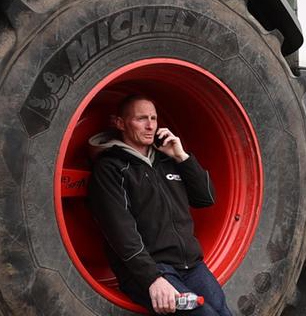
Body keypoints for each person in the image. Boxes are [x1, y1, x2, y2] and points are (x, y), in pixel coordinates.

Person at [88, 95, 230, 315]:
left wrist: (182, 156)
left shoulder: (168, 160)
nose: (150, 125)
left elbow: (206, 198)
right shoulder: (111, 168)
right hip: (152, 268)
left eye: (153, 118)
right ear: (119, 123)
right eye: (141, 118)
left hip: (190, 266)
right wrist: (152, 278)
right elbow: (120, 232)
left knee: (223, 312)